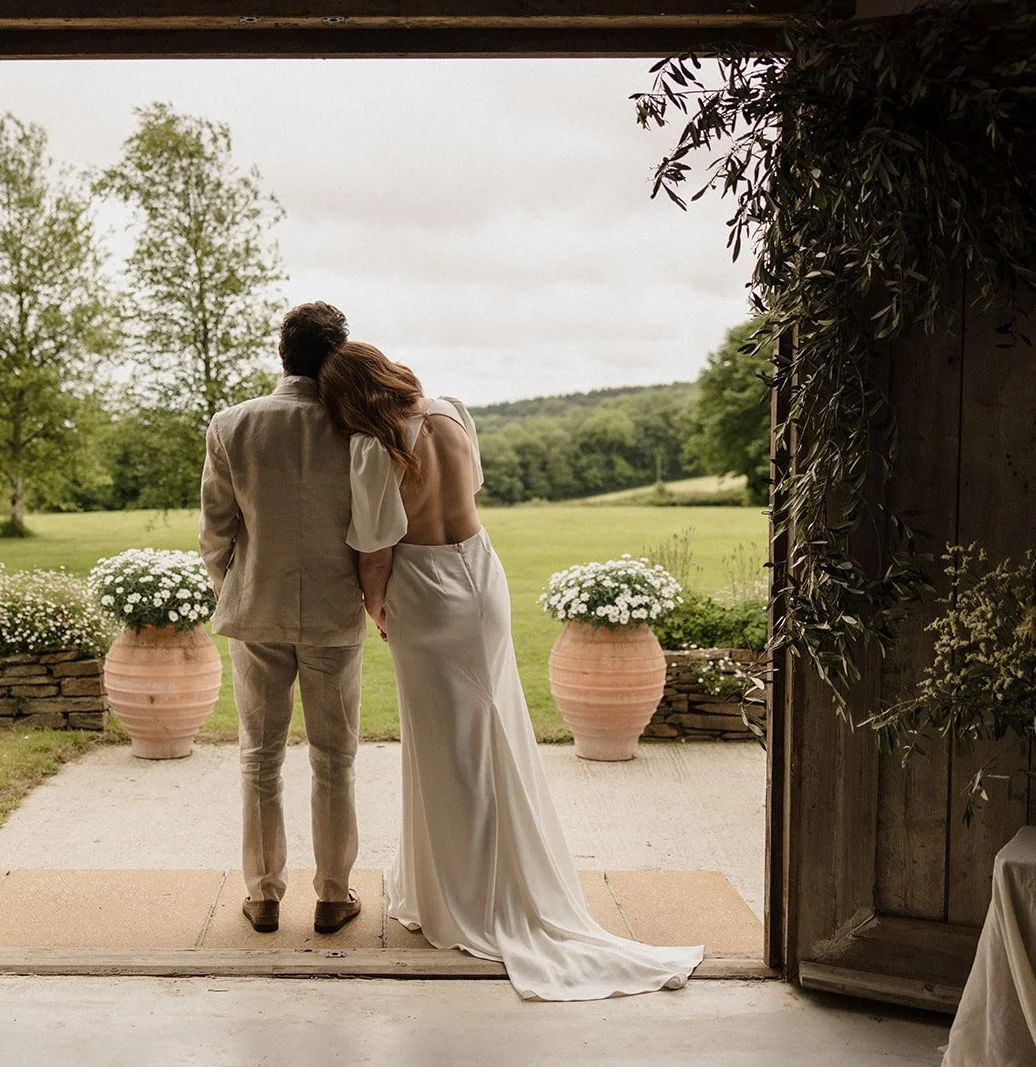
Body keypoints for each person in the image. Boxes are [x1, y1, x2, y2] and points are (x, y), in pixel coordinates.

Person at [318, 340, 704, 1000]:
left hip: (426, 591)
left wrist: (377, 609)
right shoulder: (452, 412)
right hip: (480, 578)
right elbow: (469, 490)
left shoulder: (373, 449)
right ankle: (487, 880)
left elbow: (376, 551)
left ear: (352, 399)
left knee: (446, 748)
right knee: (492, 731)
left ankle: (465, 895)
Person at [198, 302, 367, 936]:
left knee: (259, 757)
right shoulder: (355, 428)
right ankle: (332, 894)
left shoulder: (232, 425)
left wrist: (236, 587)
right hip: (334, 611)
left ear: (282, 353)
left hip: (257, 610)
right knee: (334, 759)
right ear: (336, 355)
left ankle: (264, 894)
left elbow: (215, 534)